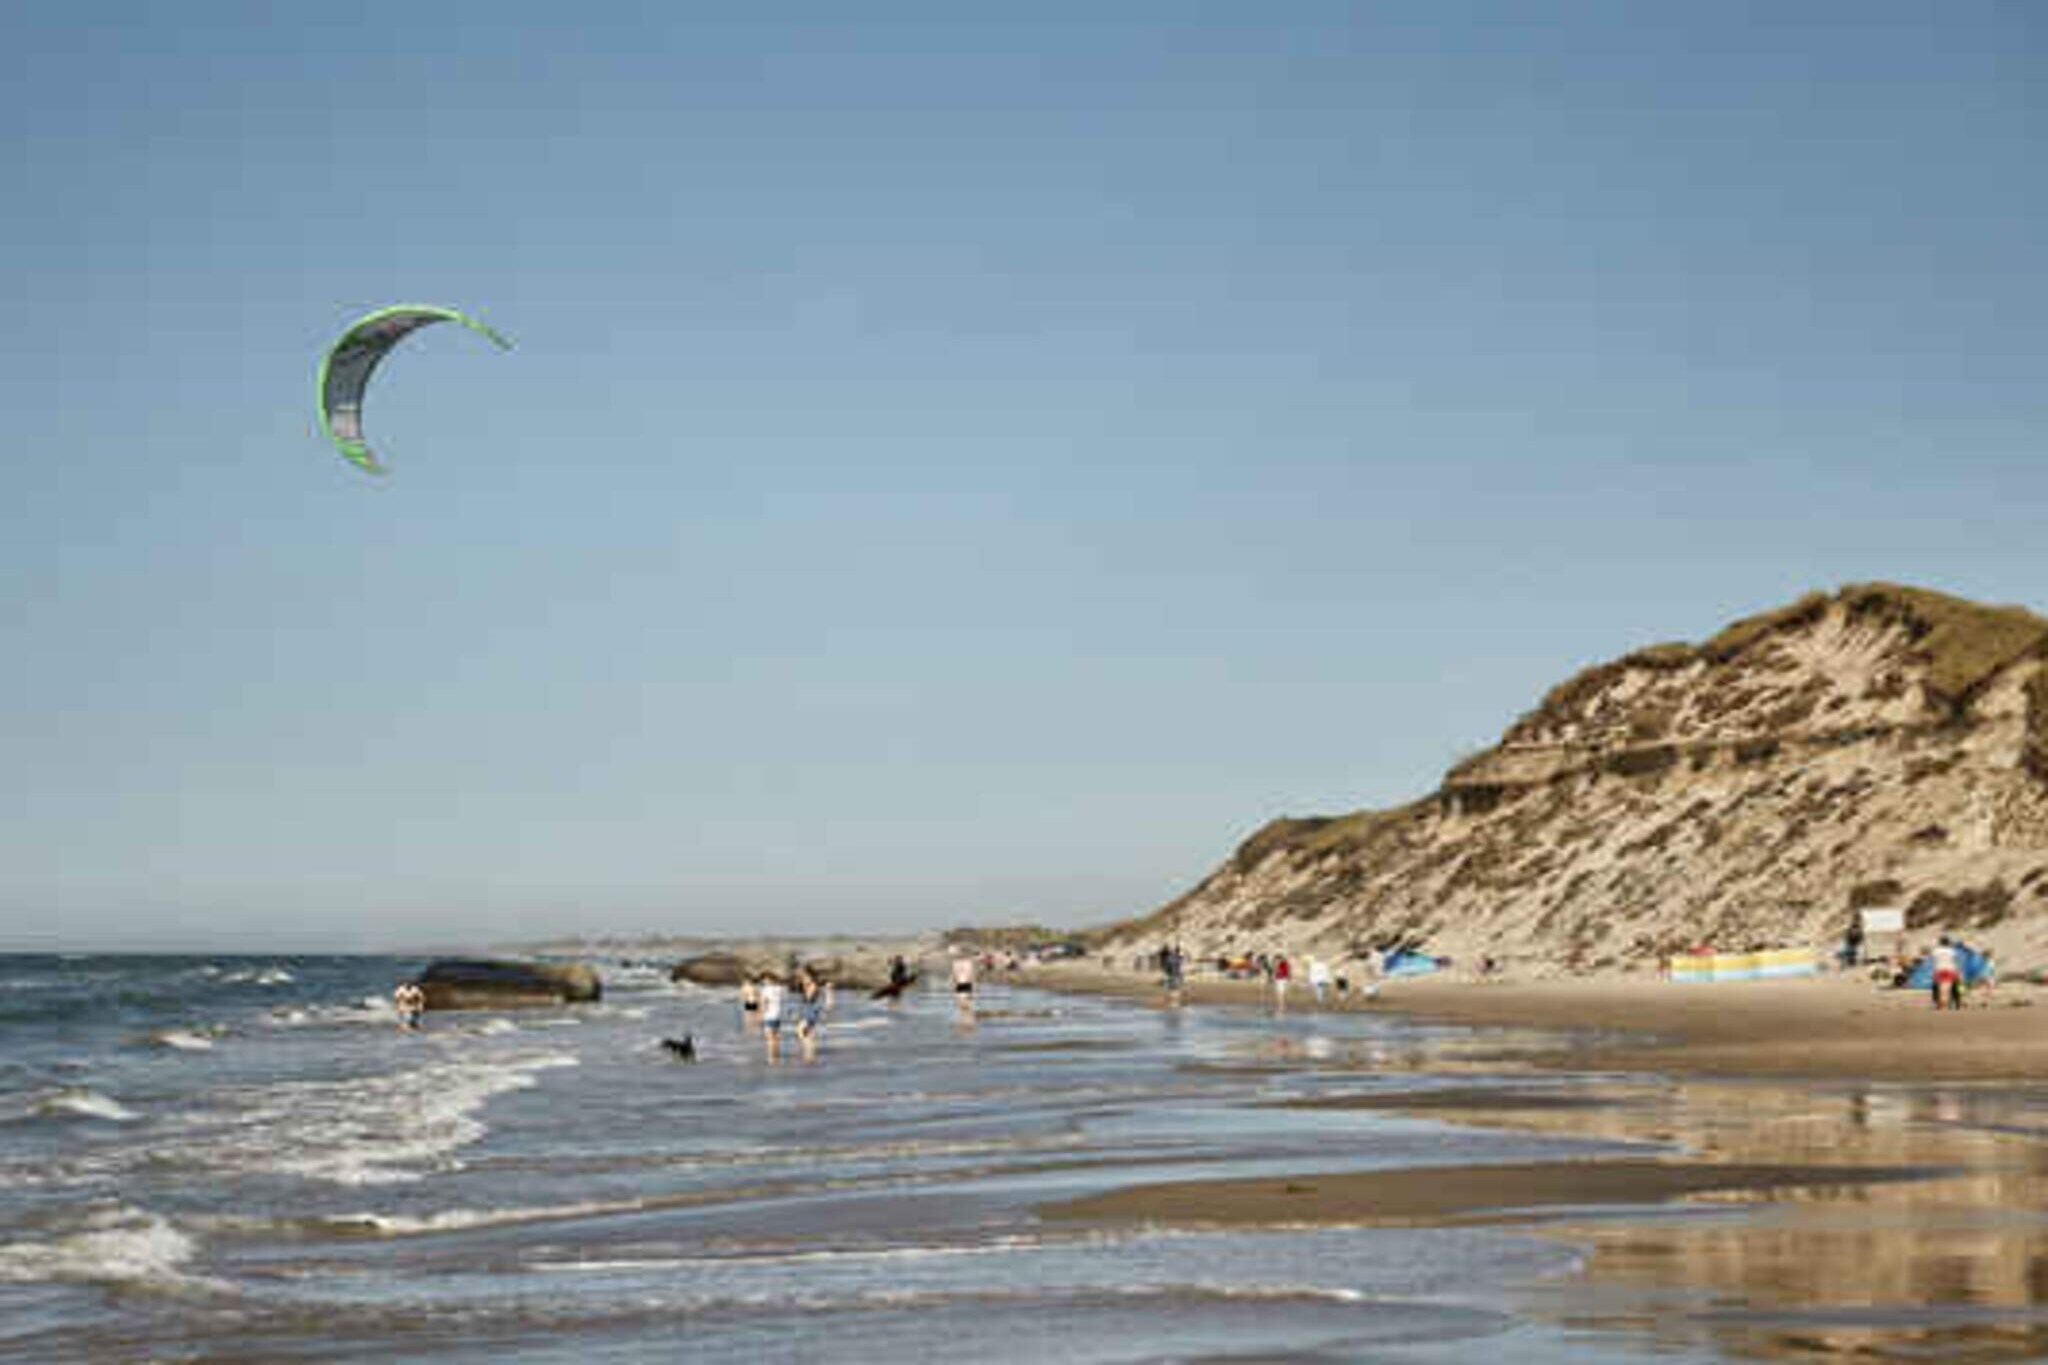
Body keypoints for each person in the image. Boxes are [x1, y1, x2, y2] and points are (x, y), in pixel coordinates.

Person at [794, 967, 826, 1062]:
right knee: (808, 1032)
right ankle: (810, 1053)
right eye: (803, 977)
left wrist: (805, 986)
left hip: (811, 1010)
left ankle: (809, 1050)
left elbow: (809, 998)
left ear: (810, 977)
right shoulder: (810, 985)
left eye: (805, 976)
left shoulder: (813, 985)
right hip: (808, 1009)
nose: (803, 978)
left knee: (800, 1031)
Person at [758, 975, 787, 1061]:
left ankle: (771, 1057)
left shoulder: (765, 990)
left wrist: (760, 1015)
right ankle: (777, 1055)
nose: (763, 982)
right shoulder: (779, 989)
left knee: (769, 1038)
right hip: (778, 1015)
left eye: (764, 980)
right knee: (776, 1038)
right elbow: (783, 998)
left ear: (768, 980)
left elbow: (764, 1004)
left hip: (768, 1015)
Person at [1930, 936, 1962, 1011]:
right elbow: (1956, 961)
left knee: (1941, 987)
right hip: (1950, 969)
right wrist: (1959, 971)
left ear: (1940, 942)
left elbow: (1933, 961)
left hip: (1939, 969)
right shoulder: (1952, 951)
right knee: (1948, 987)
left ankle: (1942, 1004)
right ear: (1948, 943)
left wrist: (1933, 971)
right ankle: (1947, 1004)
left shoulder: (1935, 951)